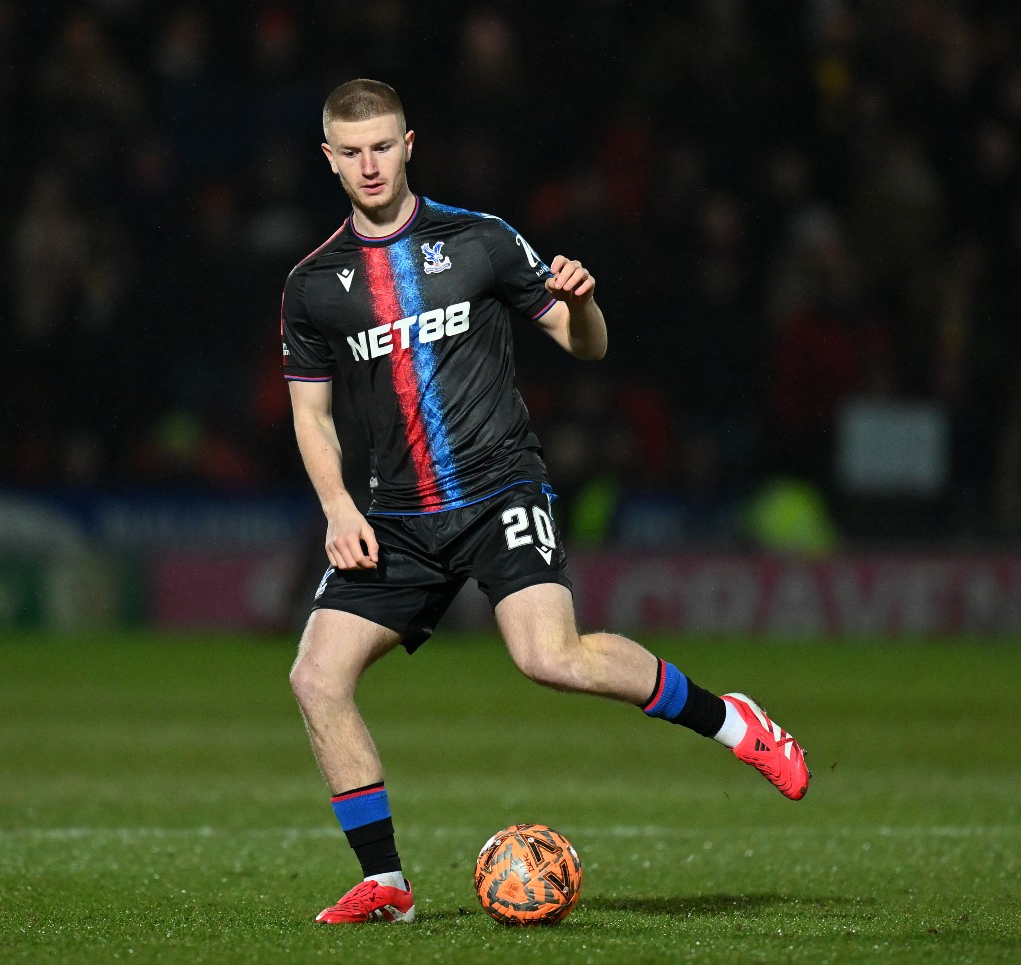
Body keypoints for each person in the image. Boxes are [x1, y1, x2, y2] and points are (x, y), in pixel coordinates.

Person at [280, 79, 810, 926]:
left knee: (548, 657)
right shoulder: (314, 284)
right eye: (353, 151)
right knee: (316, 676)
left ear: (410, 143)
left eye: (383, 145)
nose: (370, 164)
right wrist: (340, 509)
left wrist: (586, 303)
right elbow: (311, 414)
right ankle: (386, 884)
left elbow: (584, 345)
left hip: (498, 490)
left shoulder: (482, 240)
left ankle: (730, 720)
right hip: (398, 518)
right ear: (330, 159)